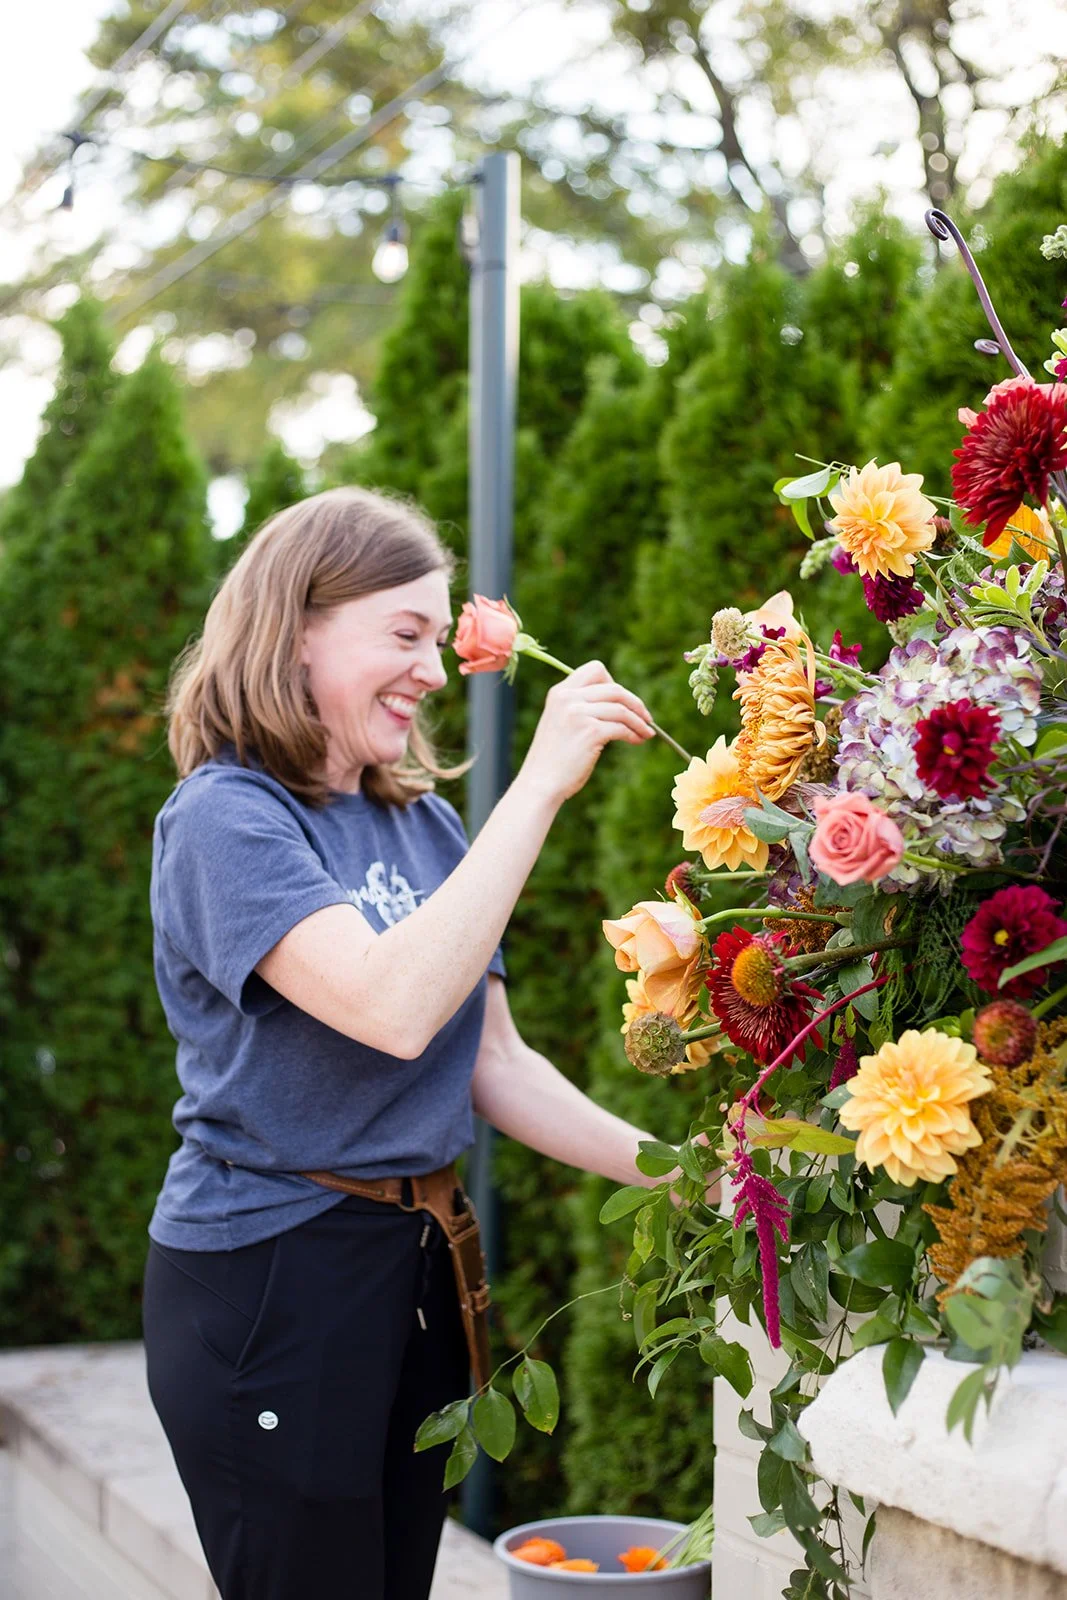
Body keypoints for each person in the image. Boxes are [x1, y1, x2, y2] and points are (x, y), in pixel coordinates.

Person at [141, 485, 680, 1600]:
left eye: (439, 638)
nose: (435, 671)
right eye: (406, 633)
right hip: (272, 1278)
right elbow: (389, 1010)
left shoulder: (418, 822)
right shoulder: (226, 819)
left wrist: (689, 1178)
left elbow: (493, 1061)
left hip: (413, 1263)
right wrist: (535, 788)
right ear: (296, 630)